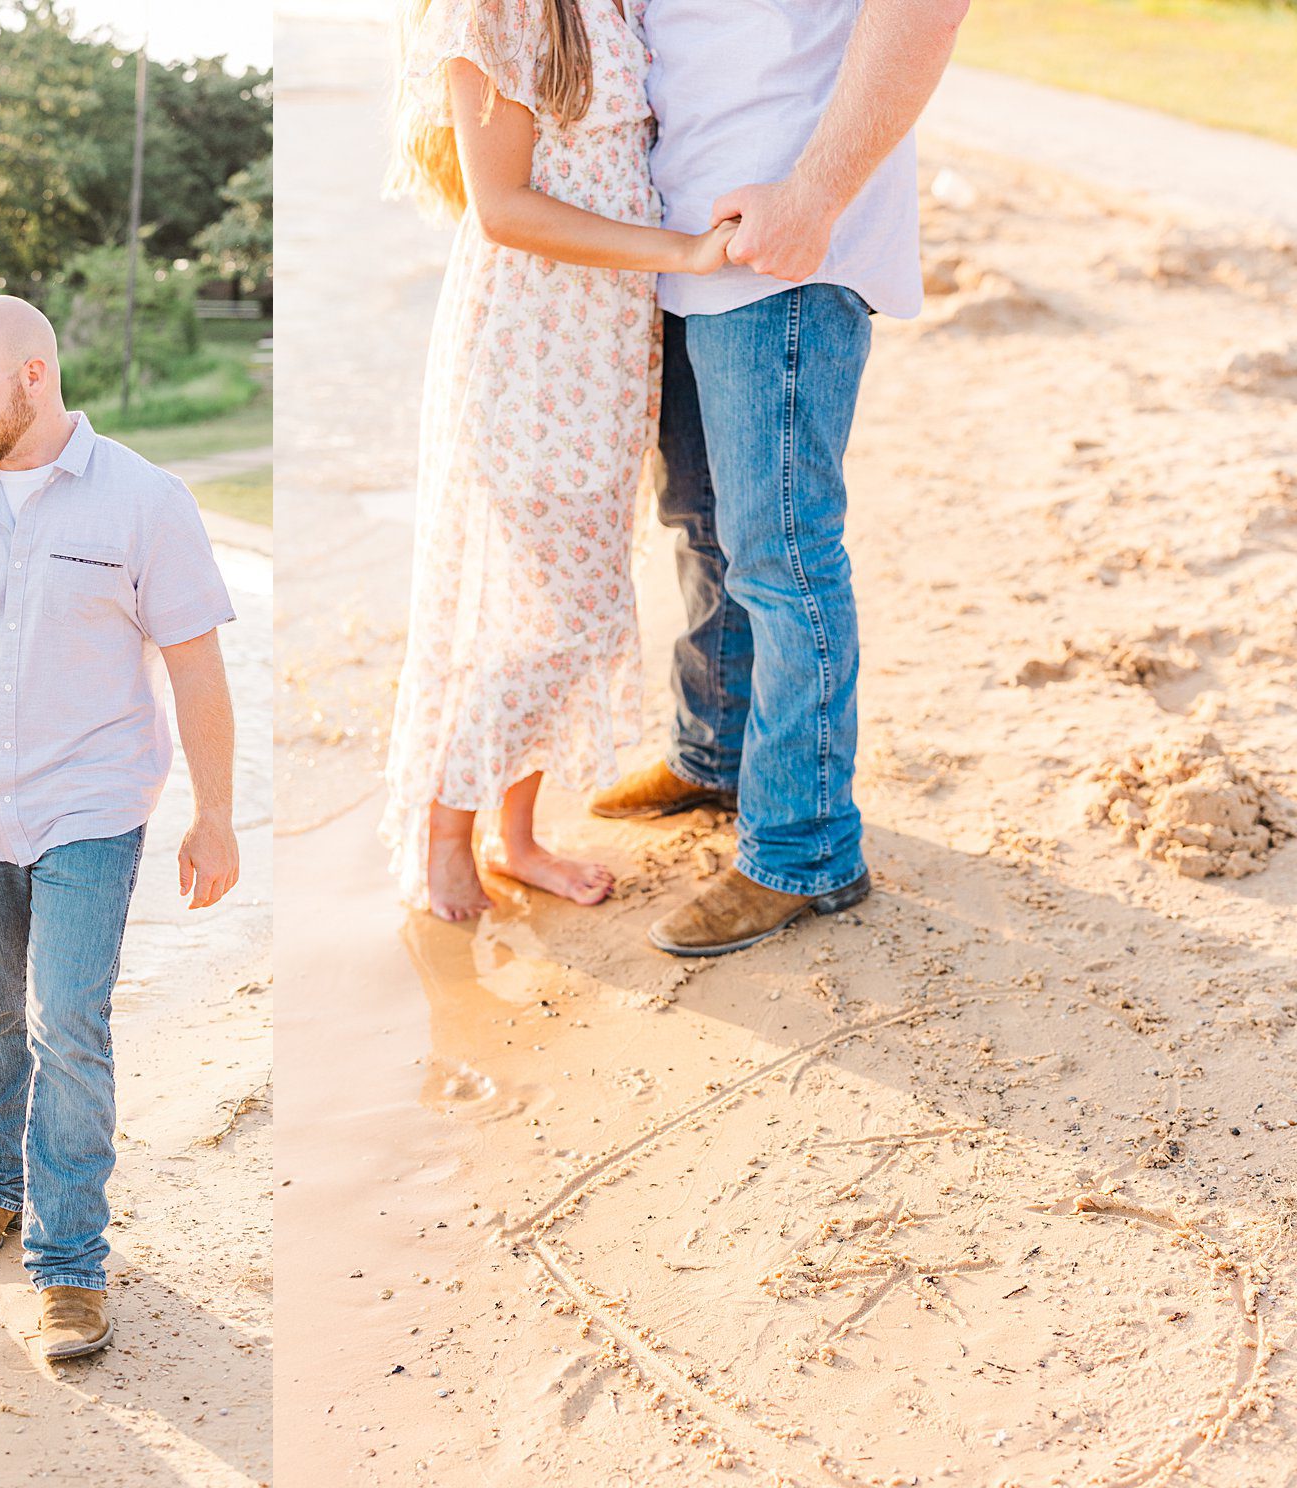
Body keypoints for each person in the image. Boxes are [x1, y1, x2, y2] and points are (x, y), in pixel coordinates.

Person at [0, 295, 239, 1361]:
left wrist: (216, 816)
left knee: (67, 1021)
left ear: (32, 374)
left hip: (93, 804)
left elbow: (196, 666)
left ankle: (68, 1264)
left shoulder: (143, 501)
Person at [591, 0, 968, 956]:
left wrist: (815, 196)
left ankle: (804, 852)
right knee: (702, 525)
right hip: (684, 242)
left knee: (783, 556)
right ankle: (716, 754)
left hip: (784, 248)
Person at [380, 0, 737, 922]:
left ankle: (518, 835)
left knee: (562, 600)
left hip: (610, 349)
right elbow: (500, 208)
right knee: (547, 610)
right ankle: (447, 835)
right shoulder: (493, 9)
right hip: (532, 346)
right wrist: (684, 252)